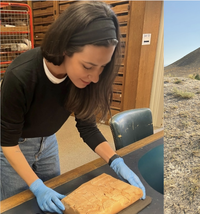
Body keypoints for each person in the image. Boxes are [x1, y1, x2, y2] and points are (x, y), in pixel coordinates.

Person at [0, 2, 145, 213]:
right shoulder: (21, 75)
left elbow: (87, 127)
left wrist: (116, 161)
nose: (95, 77)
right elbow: (8, 142)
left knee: (58, 204)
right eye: (88, 66)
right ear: (64, 48)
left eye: (102, 67)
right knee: (19, 207)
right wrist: (38, 186)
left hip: (48, 143)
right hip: (15, 146)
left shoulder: (84, 79)